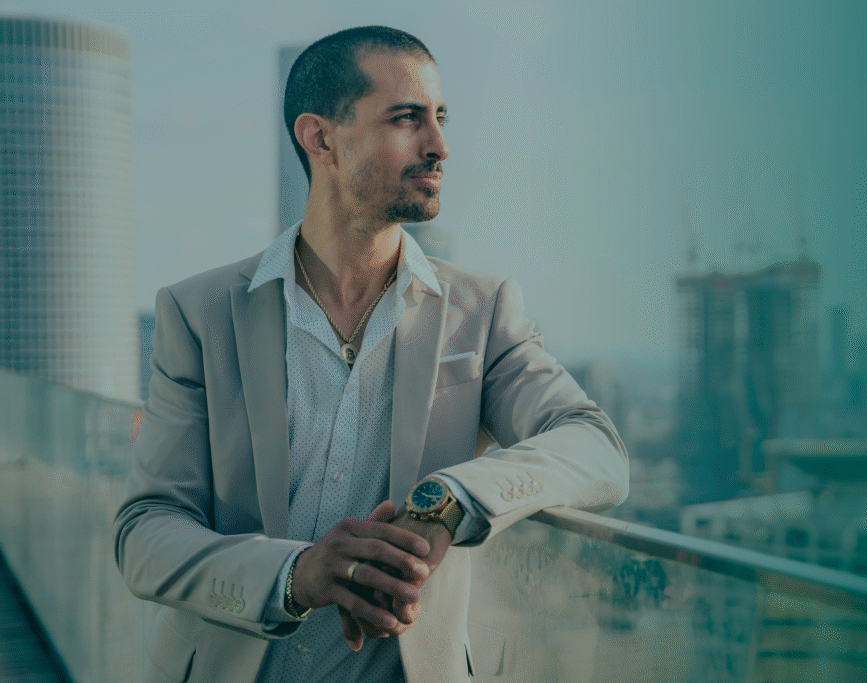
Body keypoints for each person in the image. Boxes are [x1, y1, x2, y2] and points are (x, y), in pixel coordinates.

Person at [113, 25, 628, 683]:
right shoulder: (200, 312)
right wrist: (294, 574)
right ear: (321, 137)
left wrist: (451, 499)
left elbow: (597, 446)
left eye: (440, 119)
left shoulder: (483, 310)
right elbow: (146, 532)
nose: (440, 146)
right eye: (408, 119)